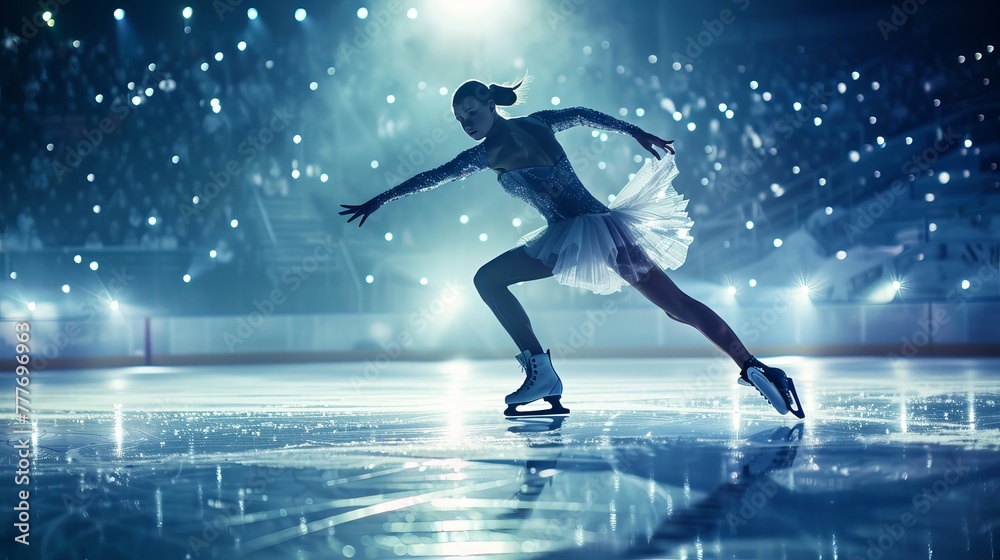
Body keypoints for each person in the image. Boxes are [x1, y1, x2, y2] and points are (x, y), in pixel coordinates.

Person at [341, 78, 803, 418]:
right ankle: (752, 365)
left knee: (490, 280)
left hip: (576, 232)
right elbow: (584, 112)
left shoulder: (486, 153)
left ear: (489, 105)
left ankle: (541, 371)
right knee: (675, 306)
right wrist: (634, 131)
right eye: (461, 120)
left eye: (473, 114)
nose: (467, 124)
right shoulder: (536, 123)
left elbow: (432, 177)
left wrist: (381, 198)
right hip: (600, 225)